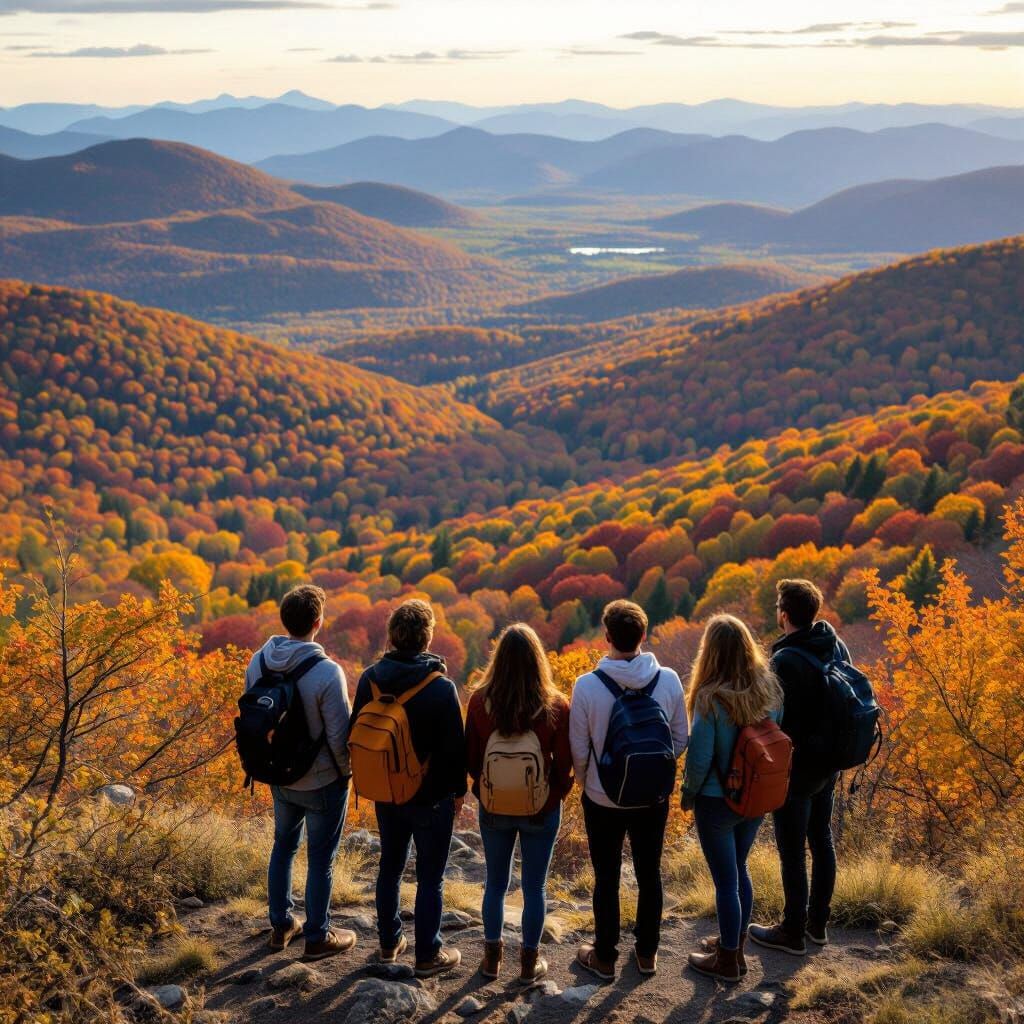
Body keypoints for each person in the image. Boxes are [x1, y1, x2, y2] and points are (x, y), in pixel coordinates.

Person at [569, 599, 688, 981]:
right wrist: (652, 771)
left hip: (603, 798)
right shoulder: (667, 679)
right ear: (644, 635)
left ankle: (604, 957)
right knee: (649, 872)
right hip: (652, 797)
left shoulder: (587, 686)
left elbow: (579, 749)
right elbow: (680, 740)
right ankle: (647, 953)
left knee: (607, 876)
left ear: (607, 637)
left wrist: (590, 784)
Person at [350, 599, 467, 978]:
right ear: (427, 636)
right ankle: (427, 954)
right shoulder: (441, 687)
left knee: (391, 866)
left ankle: (388, 943)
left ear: (392, 636)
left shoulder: (370, 679)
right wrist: (458, 794)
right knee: (431, 876)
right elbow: (454, 752)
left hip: (385, 791)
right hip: (430, 797)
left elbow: (357, 730)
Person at [244, 584, 356, 961]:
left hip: (278, 775)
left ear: (284, 620)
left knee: (284, 847)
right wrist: (346, 775)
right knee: (321, 859)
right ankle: (317, 936)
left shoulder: (258, 661)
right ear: (318, 623)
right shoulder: (327, 672)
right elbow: (340, 735)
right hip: (321, 780)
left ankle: (280, 925)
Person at [465, 623, 573, 984]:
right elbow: (564, 764)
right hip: (540, 808)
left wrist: (484, 793)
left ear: (498, 660)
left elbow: (471, 759)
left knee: (495, 883)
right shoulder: (555, 705)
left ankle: (492, 959)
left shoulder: (480, 702)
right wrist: (552, 798)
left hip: (494, 808)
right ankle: (529, 964)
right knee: (535, 887)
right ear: (538, 661)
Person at [682, 614, 784, 983]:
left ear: (709, 652)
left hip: (716, 801)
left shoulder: (710, 698)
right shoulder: (770, 689)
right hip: (755, 797)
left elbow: (700, 758)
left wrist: (687, 794)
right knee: (738, 869)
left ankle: (727, 962)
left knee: (726, 880)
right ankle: (734, 946)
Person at [749, 579, 849, 956]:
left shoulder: (786, 660)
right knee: (821, 840)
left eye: (778, 606)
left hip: (797, 768)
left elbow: (772, 716)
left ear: (784, 614)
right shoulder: (834, 644)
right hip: (829, 763)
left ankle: (792, 931)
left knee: (792, 850)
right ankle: (817, 925)